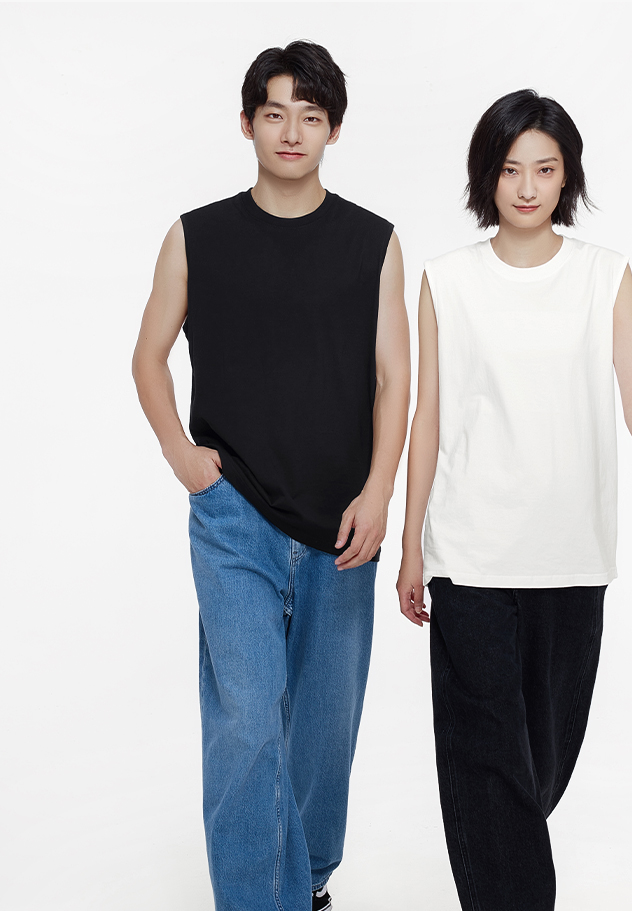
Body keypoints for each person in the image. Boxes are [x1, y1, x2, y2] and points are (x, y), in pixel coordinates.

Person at [132, 41, 410, 911]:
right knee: (248, 718)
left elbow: (395, 377)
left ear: (334, 130)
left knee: (324, 732)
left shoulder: (374, 242)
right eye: (275, 113)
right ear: (248, 123)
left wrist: (380, 490)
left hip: (342, 520)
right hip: (234, 516)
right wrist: (184, 457)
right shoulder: (196, 235)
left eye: (311, 116)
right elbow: (147, 357)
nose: (292, 131)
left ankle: (309, 882)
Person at [396, 88, 632, 911]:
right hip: (471, 552)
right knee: (486, 757)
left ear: (568, 176)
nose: (527, 187)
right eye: (510, 169)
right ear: (485, 175)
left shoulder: (604, 275)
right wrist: (412, 543)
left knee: (541, 762)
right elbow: (429, 416)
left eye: (545, 169)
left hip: (571, 551)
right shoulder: (448, 280)